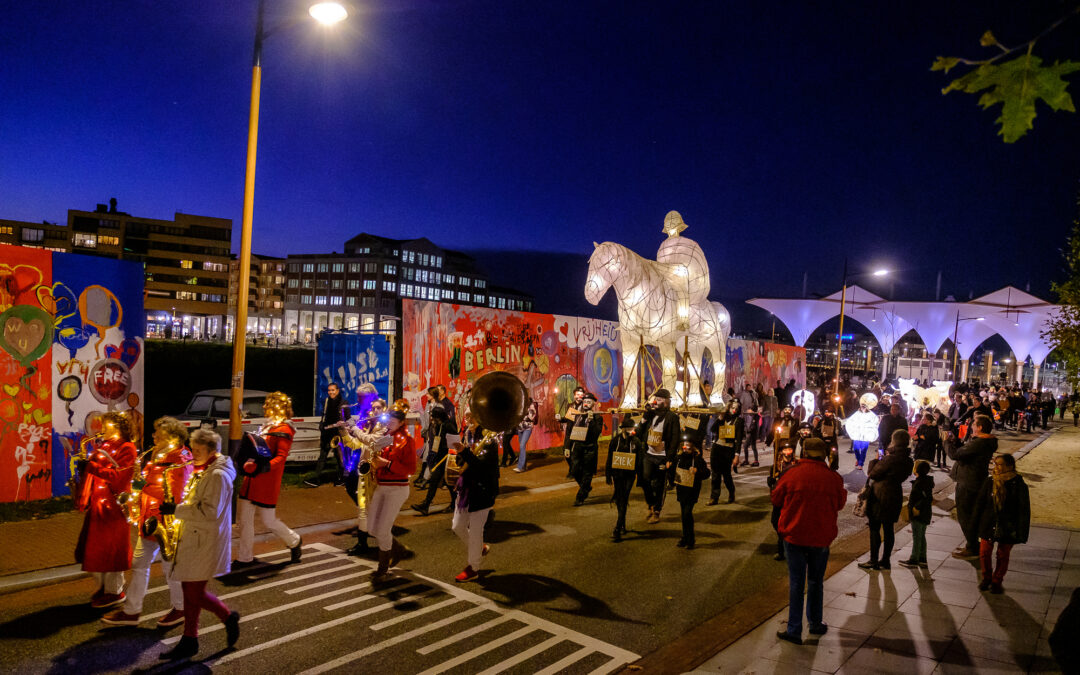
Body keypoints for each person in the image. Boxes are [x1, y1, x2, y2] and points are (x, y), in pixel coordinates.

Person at [102, 417, 194, 627]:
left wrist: (143, 488)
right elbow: (147, 481)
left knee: (170, 568)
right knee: (139, 565)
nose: (154, 438)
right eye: (155, 434)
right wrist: (134, 494)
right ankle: (132, 611)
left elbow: (175, 495)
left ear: (172, 438)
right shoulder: (158, 455)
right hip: (149, 520)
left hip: (167, 522)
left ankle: (181, 608)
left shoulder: (179, 460)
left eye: (158, 436)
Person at [157, 429, 240, 661]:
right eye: (192, 449)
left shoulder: (217, 475)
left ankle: (227, 617)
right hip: (195, 537)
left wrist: (176, 510)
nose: (193, 454)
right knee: (189, 589)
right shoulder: (204, 469)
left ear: (212, 450)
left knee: (194, 592)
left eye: (198, 450)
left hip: (205, 541)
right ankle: (190, 639)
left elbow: (210, 512)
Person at [771, 437, 847, 645]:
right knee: (815, 581)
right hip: (821, 537)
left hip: (794, 534)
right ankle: (815, 622)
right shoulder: (833, 478)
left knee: (796, 582)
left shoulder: (792, 473)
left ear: (803, 452)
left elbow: (776, 498)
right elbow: (840, 503)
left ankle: (794, 629)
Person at [75, 411, 137, 609]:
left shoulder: (127, 448)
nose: (103, 429)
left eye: (107, 426)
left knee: (113, 550)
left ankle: (115, 591)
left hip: (115, 506)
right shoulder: (106, 445)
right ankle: (104, 587)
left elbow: (119, 477)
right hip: (99, 504)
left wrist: (91, 467)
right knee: (97, 550)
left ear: (118, 428)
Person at [234, 392, 303, 569]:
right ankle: (245, 557)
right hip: (252, 478)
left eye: (269, 405)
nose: (265, 407)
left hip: (267, 481)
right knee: (244, 521)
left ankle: (294, 540)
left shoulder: (284, 429)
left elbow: (281, 457)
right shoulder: (268, 426)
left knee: (268, 521)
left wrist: (262, 467)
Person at [367, 405, 417, 581]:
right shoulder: (385, 436)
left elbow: (411, 469)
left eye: (392, 421)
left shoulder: (407, 440)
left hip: (397, 488)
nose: (388, 423)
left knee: (382, 529)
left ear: (401, 422)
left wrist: (387, 464)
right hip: (382, 485)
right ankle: (398, 549)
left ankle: (383, 568)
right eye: (387, 420)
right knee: (372, 527)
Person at [972, 453, 1030, 593]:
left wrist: (1021, 531)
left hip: (1008, 525)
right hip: (989, 522)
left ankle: (997, 581)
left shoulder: (1018, 484)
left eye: (999, 464)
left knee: (1002, 555)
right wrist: (974, 523)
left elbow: (1023, 509)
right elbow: (980, 503)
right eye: (995, 464)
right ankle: (986, 578)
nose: (996, 467)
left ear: (1009, 466)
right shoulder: (990, 481)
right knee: (984, 553)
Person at [858, 429, 914, 571]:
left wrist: (876, 460)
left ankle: (873, 560)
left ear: (894, 441)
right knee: (889, 529)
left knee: (875, 527)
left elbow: (873, 474)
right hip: (895, 494)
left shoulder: (890, 459)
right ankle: (885, 560)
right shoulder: (908, 460)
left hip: (880, 494)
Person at [449, 425, 500, 582]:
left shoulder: (490, 440)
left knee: (476, 530)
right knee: (457, 526)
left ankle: (474, 567)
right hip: (466, 489)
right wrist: (458, 453)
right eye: (468, 417)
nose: (469, 421)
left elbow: (481, 467)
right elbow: (462, 462)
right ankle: (480, 548)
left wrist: (464, 451)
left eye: (472, 416)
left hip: (483, 490)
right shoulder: (468, 436)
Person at [341, 397, 387, 555]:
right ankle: (362, 543)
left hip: (376, 474)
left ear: (384, 410)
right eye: (373, 408)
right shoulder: (369, 426)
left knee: (375, 510)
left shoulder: (384, 428)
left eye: (378, 408)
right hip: (364, 472)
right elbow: (355, 444)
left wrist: (355, 428)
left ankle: (385, 543)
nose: (375, 411)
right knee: (363, 509)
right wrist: (343, 431)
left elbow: (370, 441)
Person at [948, 415, 998, 559]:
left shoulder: (979, 443)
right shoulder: (982, 441)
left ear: (980, 427)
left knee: (965, 514)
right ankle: (972, 544)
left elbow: (955, 454)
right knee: (971, 513)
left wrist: (946, 442)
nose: (972, 425)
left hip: (968, 482)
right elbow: (964, 452)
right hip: (973, 480)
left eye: (974, 424)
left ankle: (972, 547)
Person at [636, 389, 681, 524]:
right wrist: (644, 419)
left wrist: (670, 458)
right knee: (645, 479)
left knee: (659, 484)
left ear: (666, 402)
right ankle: (650, 503)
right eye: (656, 399)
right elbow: (639, 432)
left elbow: (675, 439)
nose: (656, 402)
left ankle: (656, 510)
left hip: (662, 456)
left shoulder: (672, 417)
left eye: (660, 399)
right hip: (649, 454)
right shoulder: (650, 415)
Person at [411, 405, 458, 516]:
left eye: (433, 416)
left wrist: (449, 452)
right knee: (438, 481)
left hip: (446, 458)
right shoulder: (438, 426)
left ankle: (429, 504)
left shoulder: (448, 426)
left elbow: (455, 442)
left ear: (438, 417)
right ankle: (428, 505)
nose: (431, 418)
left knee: (442, 481)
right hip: (440, 457)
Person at [605, 416, 644, 542]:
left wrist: (640, 477)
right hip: (617, 474)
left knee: (624, 497)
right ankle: (622, 523)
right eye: (628, 428)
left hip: (629, 475)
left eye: (632, 428)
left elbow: (640, 460)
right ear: (623, 429)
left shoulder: (636, 442)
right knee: (619, 498)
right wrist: (608, 474)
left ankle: (617, 527)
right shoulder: (615, 441)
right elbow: (610, 457)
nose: (630, 431)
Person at [306, 382, 349, 487]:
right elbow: (324, 416)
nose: (330, 392)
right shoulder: (327, 402)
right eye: (329, 390)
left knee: (339, 457)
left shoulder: (343, 402)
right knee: (322, 456)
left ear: (337, 391)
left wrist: (342, 425)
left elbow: (347, 419)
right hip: (327, 434)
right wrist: (322, 426)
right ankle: (316, 479)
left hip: (337, 434)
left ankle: (342, 478)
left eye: (333, 390)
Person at [566, 392, 605, 506]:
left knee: (588, 473)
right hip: (578, 446)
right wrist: (567, 447)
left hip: (590, 448)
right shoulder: (577, 414)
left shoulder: (597, 417)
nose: (586, 403)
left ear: (593, 404)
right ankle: (586, 487)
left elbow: (596, 433)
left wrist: (591, 421)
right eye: (585, 401)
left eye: (589, 402)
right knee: (574, 470)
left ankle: (580, 497)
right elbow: (569, 430)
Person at [673, 438, 710, 549]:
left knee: (687, 513)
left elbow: (707, 473)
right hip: (681, 490)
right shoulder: (678, 458)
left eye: (688, 447)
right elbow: (672, 472)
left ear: (693, 448)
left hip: (692, 491)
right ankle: (685, 538)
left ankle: (691, 539)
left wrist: (697, 471)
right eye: (684, 446)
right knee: (684, 515)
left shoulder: (697, 460)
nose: (686, 449)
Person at [899, 460, 934, 569]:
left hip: (918, 514)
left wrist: (915, 508)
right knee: (921, 536)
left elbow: (924, 498)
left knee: (917, 536)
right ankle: (922, 558)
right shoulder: (927, 481)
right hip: (925, 513)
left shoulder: (920, 483)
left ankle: (914, 559)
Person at [707, 400, 743, 505]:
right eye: (732, 407)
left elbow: (739, 439)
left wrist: (736, 455)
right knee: (715, 474)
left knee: (726, 475)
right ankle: (714, 497)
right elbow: (713, 429)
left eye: (736, 408)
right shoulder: (723, 418)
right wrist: (720, 418)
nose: (734, 410)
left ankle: (731, 492)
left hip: (728, 450)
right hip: (717, 448)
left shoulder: (739, 421)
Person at [768, 444, 798, 560]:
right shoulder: (776, 466)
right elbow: (772, 483)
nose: (787, 451)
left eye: (789, 449)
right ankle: (783, 540)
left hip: (791, 498)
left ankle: (783, 550)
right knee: (775, 521)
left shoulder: (796, 465)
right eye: (785, 449)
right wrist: (771, 481)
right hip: (779, 498)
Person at [842, 400, 878, 470]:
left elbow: (875, 423)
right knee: (856, 449)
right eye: (862, 406)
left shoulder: (871, 415)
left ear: (867, 407)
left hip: (866, 436)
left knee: (864, 450)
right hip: (857, 435)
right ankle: (858, 460)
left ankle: (861, 464)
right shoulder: (857, 413)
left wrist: (868, 428)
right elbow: (850, 420)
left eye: (864, 407)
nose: (863, 408)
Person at [559, 386, 586, 478]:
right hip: (570, 432)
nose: (579, 396)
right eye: (577, 394)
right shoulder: (570, 406)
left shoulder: (585, 406)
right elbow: (568, 418)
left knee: (576, 454)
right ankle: (573, 469)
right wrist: (560, 419)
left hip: (579, 432)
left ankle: (573, 472)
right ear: (574, 396)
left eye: (581, 395)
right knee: (566, 452)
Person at [512, 398, 539, 473]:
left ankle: (520, 467)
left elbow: (531, 417)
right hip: (520, 428)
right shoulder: (519, 405)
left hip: (527, 428)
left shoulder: (531, 405)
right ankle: (524, 467)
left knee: (522, 445)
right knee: (521, 447)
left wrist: (523, 412)